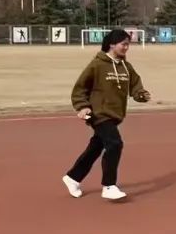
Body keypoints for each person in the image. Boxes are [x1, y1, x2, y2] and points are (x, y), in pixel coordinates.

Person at [62, 29, 152, 201]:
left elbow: (135, 86)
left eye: (128, 44)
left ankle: (73, 177)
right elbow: (80, 88)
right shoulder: (97, 65)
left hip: (115, 115)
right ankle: (109, 185)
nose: (126, 48)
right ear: (112, 44)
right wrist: (82, 106)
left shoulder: (126, 67)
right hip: (98, 113)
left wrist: (141, 95)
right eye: (123, 44)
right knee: (115, 144)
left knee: (96, 147)